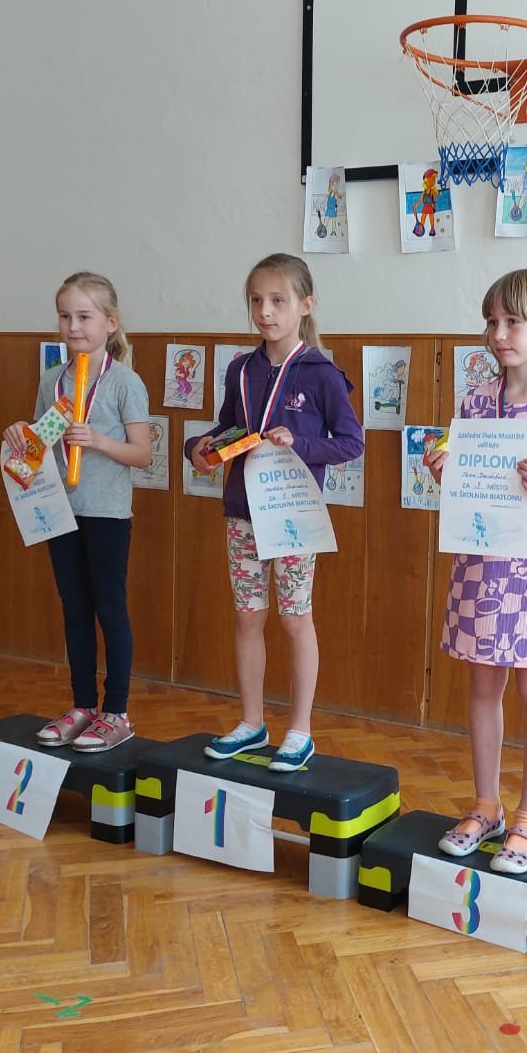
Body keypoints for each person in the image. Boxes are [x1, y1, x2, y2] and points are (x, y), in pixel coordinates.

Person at [424, 268, 527, 874]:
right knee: (482, 686)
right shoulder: (475, 402)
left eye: (512, 322)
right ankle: (486, 806)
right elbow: (466, 480)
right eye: (492, 321)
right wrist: (444, 471)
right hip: (479, 563)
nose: (498, 334)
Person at [183, 253, 364, 771]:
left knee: (294, 618)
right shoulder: (240, 370)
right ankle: (251, 722)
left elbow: (351, 442)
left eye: (278, 301)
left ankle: (300, 729)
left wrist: (300, 443)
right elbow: (227, 429)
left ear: (305, 305)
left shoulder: (322, 373)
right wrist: (198, 447)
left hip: (293, 515)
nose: (265, 311)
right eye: (257, 300)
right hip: (243, 511)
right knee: (247, 616)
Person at [3, 272, 152, 752]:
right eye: (65, 316)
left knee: (110, 608)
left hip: (106, 512)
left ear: (111, 323)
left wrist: (100, 441)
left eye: (84, 316)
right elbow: (38, 446)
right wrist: (20, 435)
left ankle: (117, 711)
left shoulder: (125, 382)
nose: (73, 326)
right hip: (59, 511)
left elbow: (143, 454)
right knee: (75, 608)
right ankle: (83, 705)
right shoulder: (53, 381)